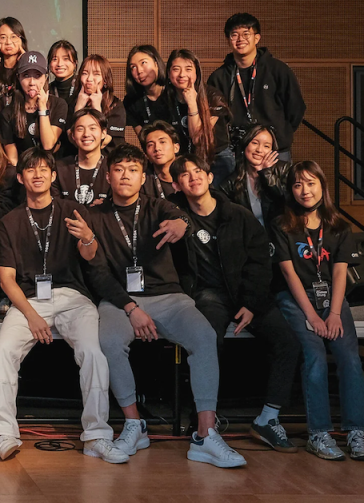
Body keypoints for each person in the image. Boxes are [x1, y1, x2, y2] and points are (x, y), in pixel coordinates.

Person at [83, 144, 246, 468]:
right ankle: (134, 424)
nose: (125, 175)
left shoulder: (159, 207)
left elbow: (181, 218)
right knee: (110, 342)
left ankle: (205, 434)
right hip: (120, 301)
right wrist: (131, 308)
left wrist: (182, 226)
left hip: (169, 298)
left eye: (132, 170)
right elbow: (97, 274)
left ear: (143, 177)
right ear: (108, 175)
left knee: (203, 338)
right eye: (119, 169)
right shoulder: (95, 216)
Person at [0, 148, 126, 464]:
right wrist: (32, 316)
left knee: (92, 353)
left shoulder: (73, 210)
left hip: (72, 298)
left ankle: (96, 436)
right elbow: (7, 280)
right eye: (30, 169)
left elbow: (91, 259)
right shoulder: (10, 221)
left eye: (44, 169)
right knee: (3, 352)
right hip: (28, 301)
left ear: (53, 176)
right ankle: (6, 432)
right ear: (21, 178)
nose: (37, 174)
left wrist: (89, 238)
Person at [169, 154, 301, 453]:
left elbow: (259, 262)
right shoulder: (174, 214)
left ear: (210, 177)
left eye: (199, 171)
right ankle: (204, 421)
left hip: (247, 294)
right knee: (205, 340)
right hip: (207, 294)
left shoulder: (238, 215)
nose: (194, 177)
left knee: (288, 343)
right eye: (186, 175)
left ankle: (268, 419)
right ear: (178, 184)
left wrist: (252, 303)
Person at [271, 161, 364, 461]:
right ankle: (319, 433)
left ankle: (356, 431)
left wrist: (335, 313)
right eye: (298, 184)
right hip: (295, 298)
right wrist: (312, 316)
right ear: (291, 190)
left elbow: (340, 274)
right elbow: (289, 276)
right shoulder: (281, 225)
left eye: (311, 183)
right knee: (314, 355)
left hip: (333, 301)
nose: (305, 190)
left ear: (322, 186)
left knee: (349, 358)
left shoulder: (339, 226)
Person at [207, 13, 305, 162]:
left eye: (246, 34)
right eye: (234, 35)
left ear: (257, 38)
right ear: (228, 40)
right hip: (236, 152)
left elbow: (295, 108)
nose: (240, 40)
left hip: (275, 150)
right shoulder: (219, 77)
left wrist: (280, 134)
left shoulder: (278, 70)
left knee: (276, 185)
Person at [165, 48, 233, 181]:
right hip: (183, 160)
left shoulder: (213, 97)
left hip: (216, 159)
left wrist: (192, 104)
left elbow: (198, 138)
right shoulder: (165, 100)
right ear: (168, 73)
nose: (182, 74)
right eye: (176, 69)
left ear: (197, 72)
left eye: (188, 69)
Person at [0, 51, 68, 166]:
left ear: (45, 77)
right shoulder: (8, 113)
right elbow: (12, 158)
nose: (32, 82)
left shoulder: (58, 104)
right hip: (24, 172)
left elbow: (48, 145)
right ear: (18, 77)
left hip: (53, 170)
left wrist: (42, 108)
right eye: (26, 75)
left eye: (37, 75)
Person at [221, 124, 290, 227]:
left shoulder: (284, 170)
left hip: (280, 236)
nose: (259, 150)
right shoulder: (231, 183)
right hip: (250, 238)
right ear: (245, 145)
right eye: (254, 143)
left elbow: (283, 202)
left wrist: (266, 173)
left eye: (266, 146)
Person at [55, 109, 112, 208]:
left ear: (103, 133)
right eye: (80, 129)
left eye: (92, 128)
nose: (86, 134)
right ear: (73, 135)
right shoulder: (59, 168)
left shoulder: (113, 168)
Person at [70, 54, 127, 151]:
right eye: (85, 73)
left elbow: (102, 141)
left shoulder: (115, 105)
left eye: (96, 74)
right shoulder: (71, 102)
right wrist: (78, 108)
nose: (89, 79)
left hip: (108, 160)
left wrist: (97, 108)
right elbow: (72, 139)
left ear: (105, 80)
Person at [124, 44, 175, 135]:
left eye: (143, 63)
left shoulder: (175, 90)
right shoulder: (131, 101)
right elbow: (144, 139)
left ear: (156, 64)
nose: (139, 71)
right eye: (133, 67)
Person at [140, 121, 181, 199]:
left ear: (176, 147)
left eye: (162, 142)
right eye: (150, 145)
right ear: (146, 155)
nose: (157, 148)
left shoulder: (191, 174)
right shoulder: (143, 181)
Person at [47, 40, 79, 115]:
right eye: (55, 59)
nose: (59, 64)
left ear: (75, 63)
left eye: (66, 59)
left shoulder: (82, 87)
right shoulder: (46, 90)